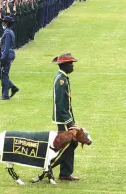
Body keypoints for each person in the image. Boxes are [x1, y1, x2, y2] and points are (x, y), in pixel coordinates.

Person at [50, 52, 80, 181]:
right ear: (65, 65)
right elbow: (61, 103)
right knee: (66, 145)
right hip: (63, 119)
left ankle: (65, 173)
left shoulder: (63, 77)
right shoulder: (61, 80)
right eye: (71, 63)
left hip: (65, 117)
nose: (73, 66)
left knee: (70, 144)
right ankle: (51, 168)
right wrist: (69, 123)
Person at [0, 15, 19, 100]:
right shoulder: (8, 32)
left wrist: (3, 57)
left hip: (7, 56)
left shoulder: (8, 33)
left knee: (4, 74)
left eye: (3, 21)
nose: (2, 23)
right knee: (0, 73)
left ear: (6, 23)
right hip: (8, 55)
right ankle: (12, 87)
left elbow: (7, 46)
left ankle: (5, 95)